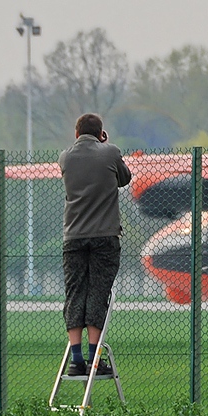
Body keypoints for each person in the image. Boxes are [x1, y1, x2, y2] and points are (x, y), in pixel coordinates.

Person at [58, 113, 132, 376]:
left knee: (75, 292)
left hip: (74, 236)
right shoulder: (110, 152)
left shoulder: (65, 157)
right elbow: (125, 178)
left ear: (77, 134)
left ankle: (76, 359)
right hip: (104, 236)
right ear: (101, 133)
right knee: (98, 293)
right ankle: (95, 359)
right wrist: (105, 144)